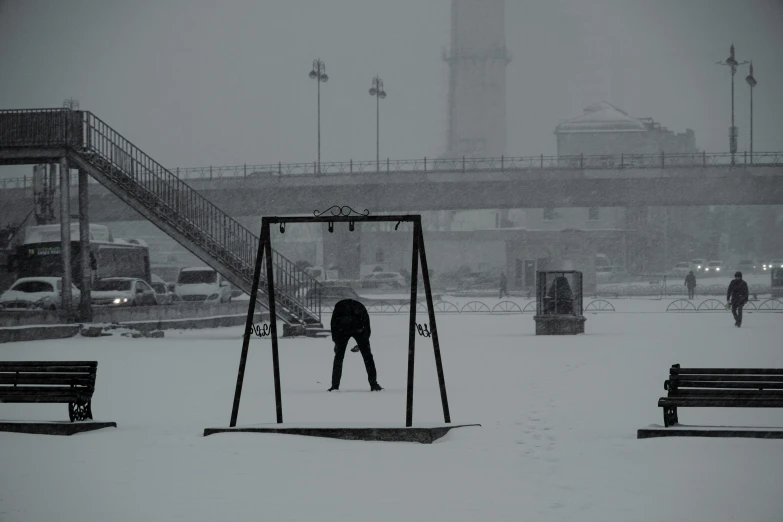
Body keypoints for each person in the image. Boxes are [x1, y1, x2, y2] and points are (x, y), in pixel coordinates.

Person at [328, 299, 383, 391]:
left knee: (338, 358)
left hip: (344, 329)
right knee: (368, 357)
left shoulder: (339, 308)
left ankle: (335, 386)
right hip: (358, 328)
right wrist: (363, 342)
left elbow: (334, 325)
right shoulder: (360, 308)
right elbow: (367, 325)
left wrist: (336, 342)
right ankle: (374, 385)